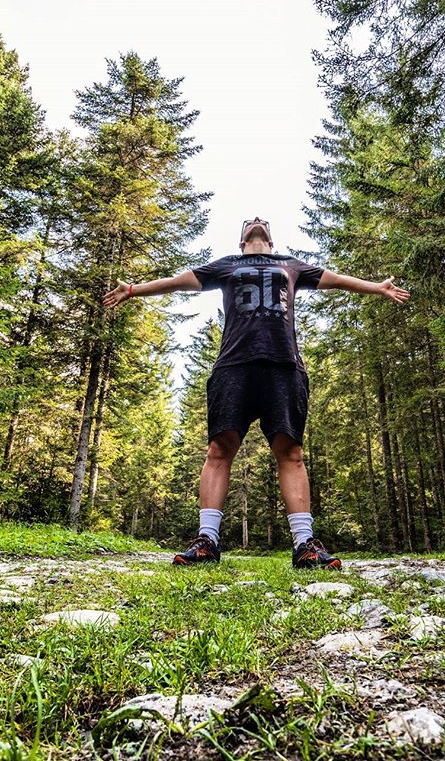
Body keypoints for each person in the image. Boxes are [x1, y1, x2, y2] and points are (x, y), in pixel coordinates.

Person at [103, 217, 410, 568]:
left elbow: (337, 281)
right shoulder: (226, 265)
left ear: (270, 236)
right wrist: (133, 289)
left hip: (284, 365)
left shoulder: (292, 265)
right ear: (241, 238)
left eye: (262, 220)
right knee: (220, 449)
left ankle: (305, 545)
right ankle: (207, 542)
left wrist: (378, 287)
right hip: (234, 365)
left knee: (290, 451)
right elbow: (177, 283)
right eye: (249, 221)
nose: (257, 221)